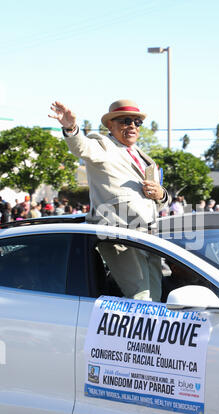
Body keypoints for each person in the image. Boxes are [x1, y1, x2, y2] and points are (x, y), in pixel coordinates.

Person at [48, 99, 168, 301]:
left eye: (137, 122)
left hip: (148, 237)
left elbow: (159, 199)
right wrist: (71, 128)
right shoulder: (103, 145)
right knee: (142, 299)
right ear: (110, 125)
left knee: (155, 298)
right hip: (120, 236)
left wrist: (160, 194)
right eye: (125, 121)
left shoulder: (144, 157)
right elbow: (82, 147)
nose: (132, 126)